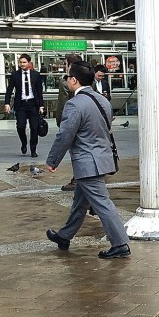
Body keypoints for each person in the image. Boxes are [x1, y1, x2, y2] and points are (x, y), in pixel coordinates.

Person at [45, 61, 131, 259]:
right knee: (80, 202)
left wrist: (53, 161)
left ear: (74, 80)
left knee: (102, 204)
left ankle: (120, 244)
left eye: (68, 76)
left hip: (87, 162)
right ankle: (64, 236)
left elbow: (65, 135)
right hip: (102, 158)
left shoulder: (74, 104)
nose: (67, 80)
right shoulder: (103, 101)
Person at [3, 53, 45, 157]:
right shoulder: (15, 75)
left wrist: (41, 105)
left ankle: (33, 149)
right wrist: (7, 103)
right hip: (21, 104)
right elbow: (9, 90)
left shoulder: (36, 75)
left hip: (33, 104)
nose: (22, 64)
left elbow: (39, 91)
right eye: (20, 62)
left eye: (24, 62)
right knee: (21, 126)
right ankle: (24, 142)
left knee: (34, 128)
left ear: (29, 63)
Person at [55, 53, 84, 192]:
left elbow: (63, 104)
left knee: (75, 152)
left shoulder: (66, 82)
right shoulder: (87, 79)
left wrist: (60, 122)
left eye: (66, 64)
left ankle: (77, 179)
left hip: (72, 121)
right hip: (88, 121)